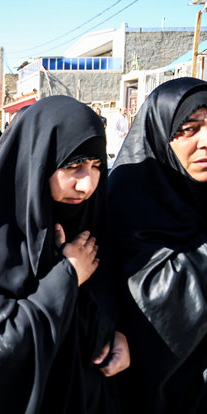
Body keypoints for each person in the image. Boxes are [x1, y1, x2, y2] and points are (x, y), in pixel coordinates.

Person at [0, 95, 129, 414]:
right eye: (73, 166)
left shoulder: (89, 223)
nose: (87, 185)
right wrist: (66, 276)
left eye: (97, 166)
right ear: (38, 161)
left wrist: (119, 339)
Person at [108, 77, 207, 413]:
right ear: (161, 133)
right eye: (189, 129)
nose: (205, 141)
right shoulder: (128, 196)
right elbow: (149, 295)